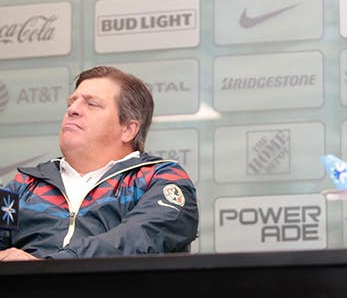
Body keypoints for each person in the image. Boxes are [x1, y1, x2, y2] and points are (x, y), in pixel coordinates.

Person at [0, 66, 199, 260]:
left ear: (128, 129)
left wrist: (48, 267)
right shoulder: (23, 184)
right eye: (71, 103)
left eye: (92, 104)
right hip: (26, 283)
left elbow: (137, 240)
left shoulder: (161, 178)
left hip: (110, 284)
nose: (73, 110)